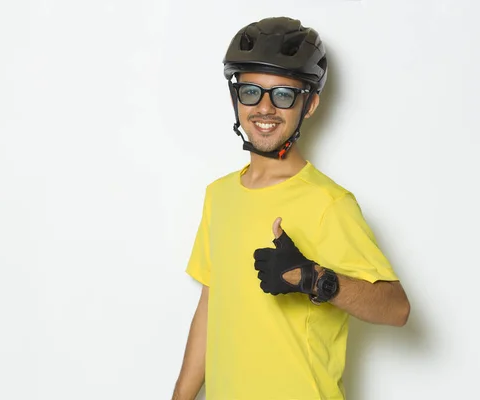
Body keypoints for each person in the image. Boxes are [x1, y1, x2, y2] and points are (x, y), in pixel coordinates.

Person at [172, 16, 410, 400]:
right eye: (251, 91)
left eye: (283, 94)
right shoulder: (219, 196)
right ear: (236, 98)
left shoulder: (328, 203)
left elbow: (396, 309)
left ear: (310, 103)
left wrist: (314, 279)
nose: (265, 108)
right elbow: (210, 305)